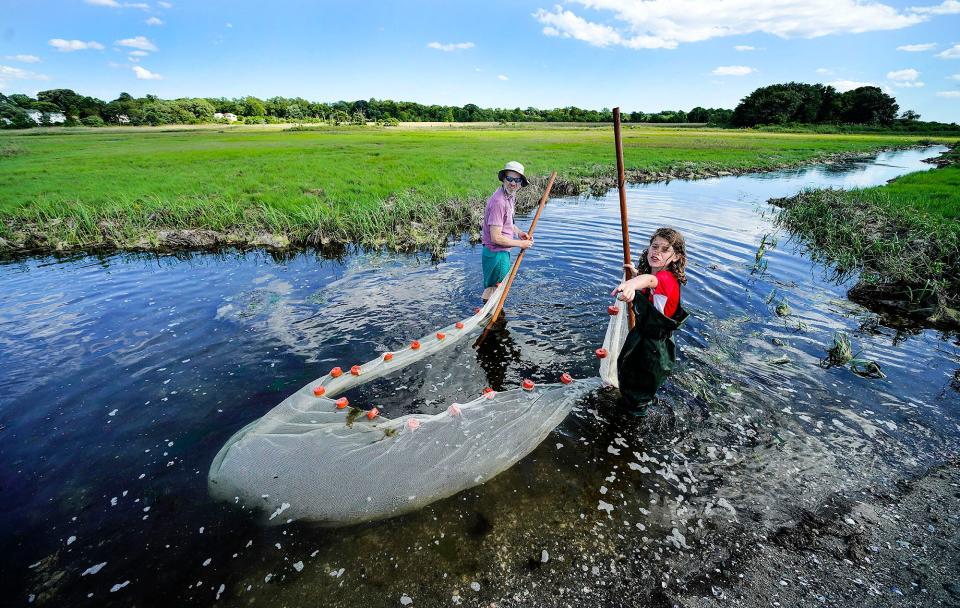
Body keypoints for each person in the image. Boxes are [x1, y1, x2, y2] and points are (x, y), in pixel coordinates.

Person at [611, 227, 689, 412]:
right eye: (655, 246)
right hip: (645, 340)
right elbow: (648, 281)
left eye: (665, 250)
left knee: (636, 398)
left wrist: (631, 284)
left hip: (653, 349)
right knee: (630, 385)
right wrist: (635, 274)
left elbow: (650, 282)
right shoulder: (657, 276)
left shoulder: (665, 279)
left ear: (676, 256)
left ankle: (629, 430)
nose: (657, 252)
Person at [481, 161, 533, 303]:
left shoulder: (509, 196)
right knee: (494, 289)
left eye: (517, 180)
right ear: (504, 179)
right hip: (496, 253)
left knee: (495, 288)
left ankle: (490, 314)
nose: (513, 183)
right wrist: (521, 243)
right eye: (510, 179)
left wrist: (519, 232)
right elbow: (496, 237)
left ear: (521, 183)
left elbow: (507, 223)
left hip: (500, 252)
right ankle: (488, 317)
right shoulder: (499, 202)